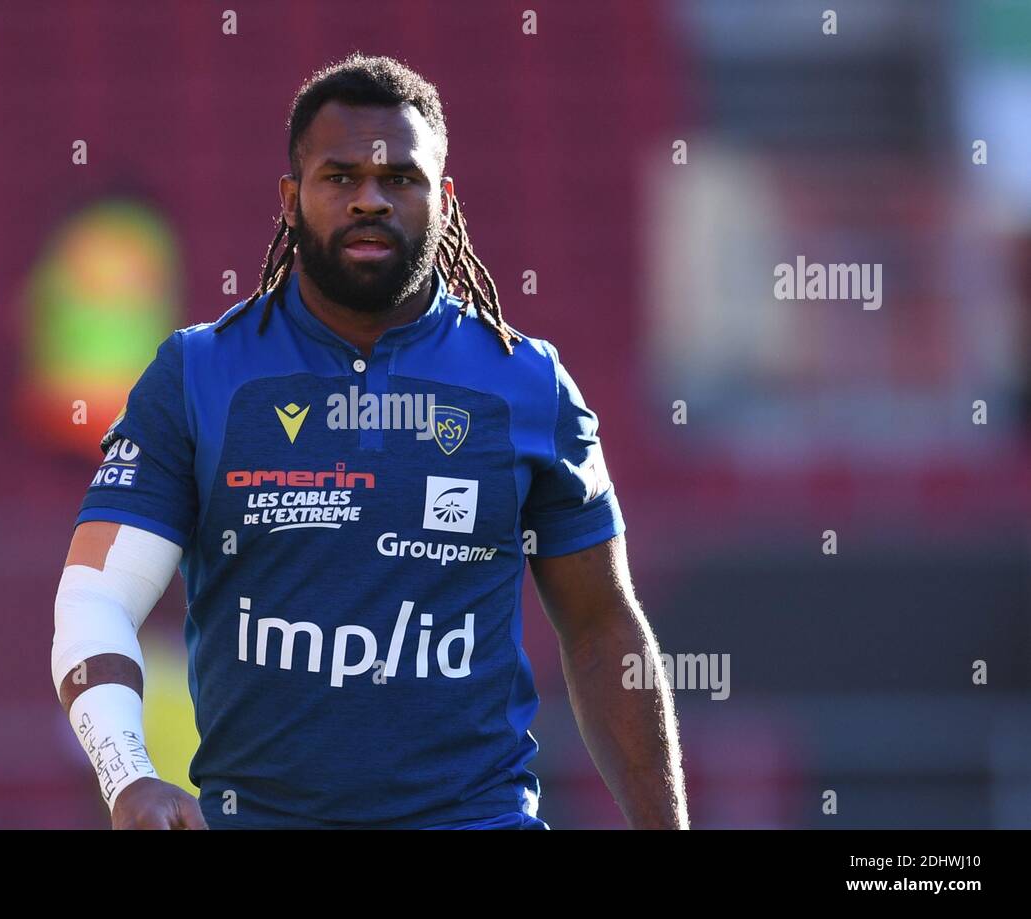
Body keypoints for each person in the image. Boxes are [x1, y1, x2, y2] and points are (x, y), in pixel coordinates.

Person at [51, 53, 688, 830]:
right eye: (340, 177)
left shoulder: (529, 384)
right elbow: (95, 598)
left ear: (445, 201)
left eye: (401, 181)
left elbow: (603, 628)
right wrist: (128, 777)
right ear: (290, 200)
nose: (370, 201)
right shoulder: (199, 374)